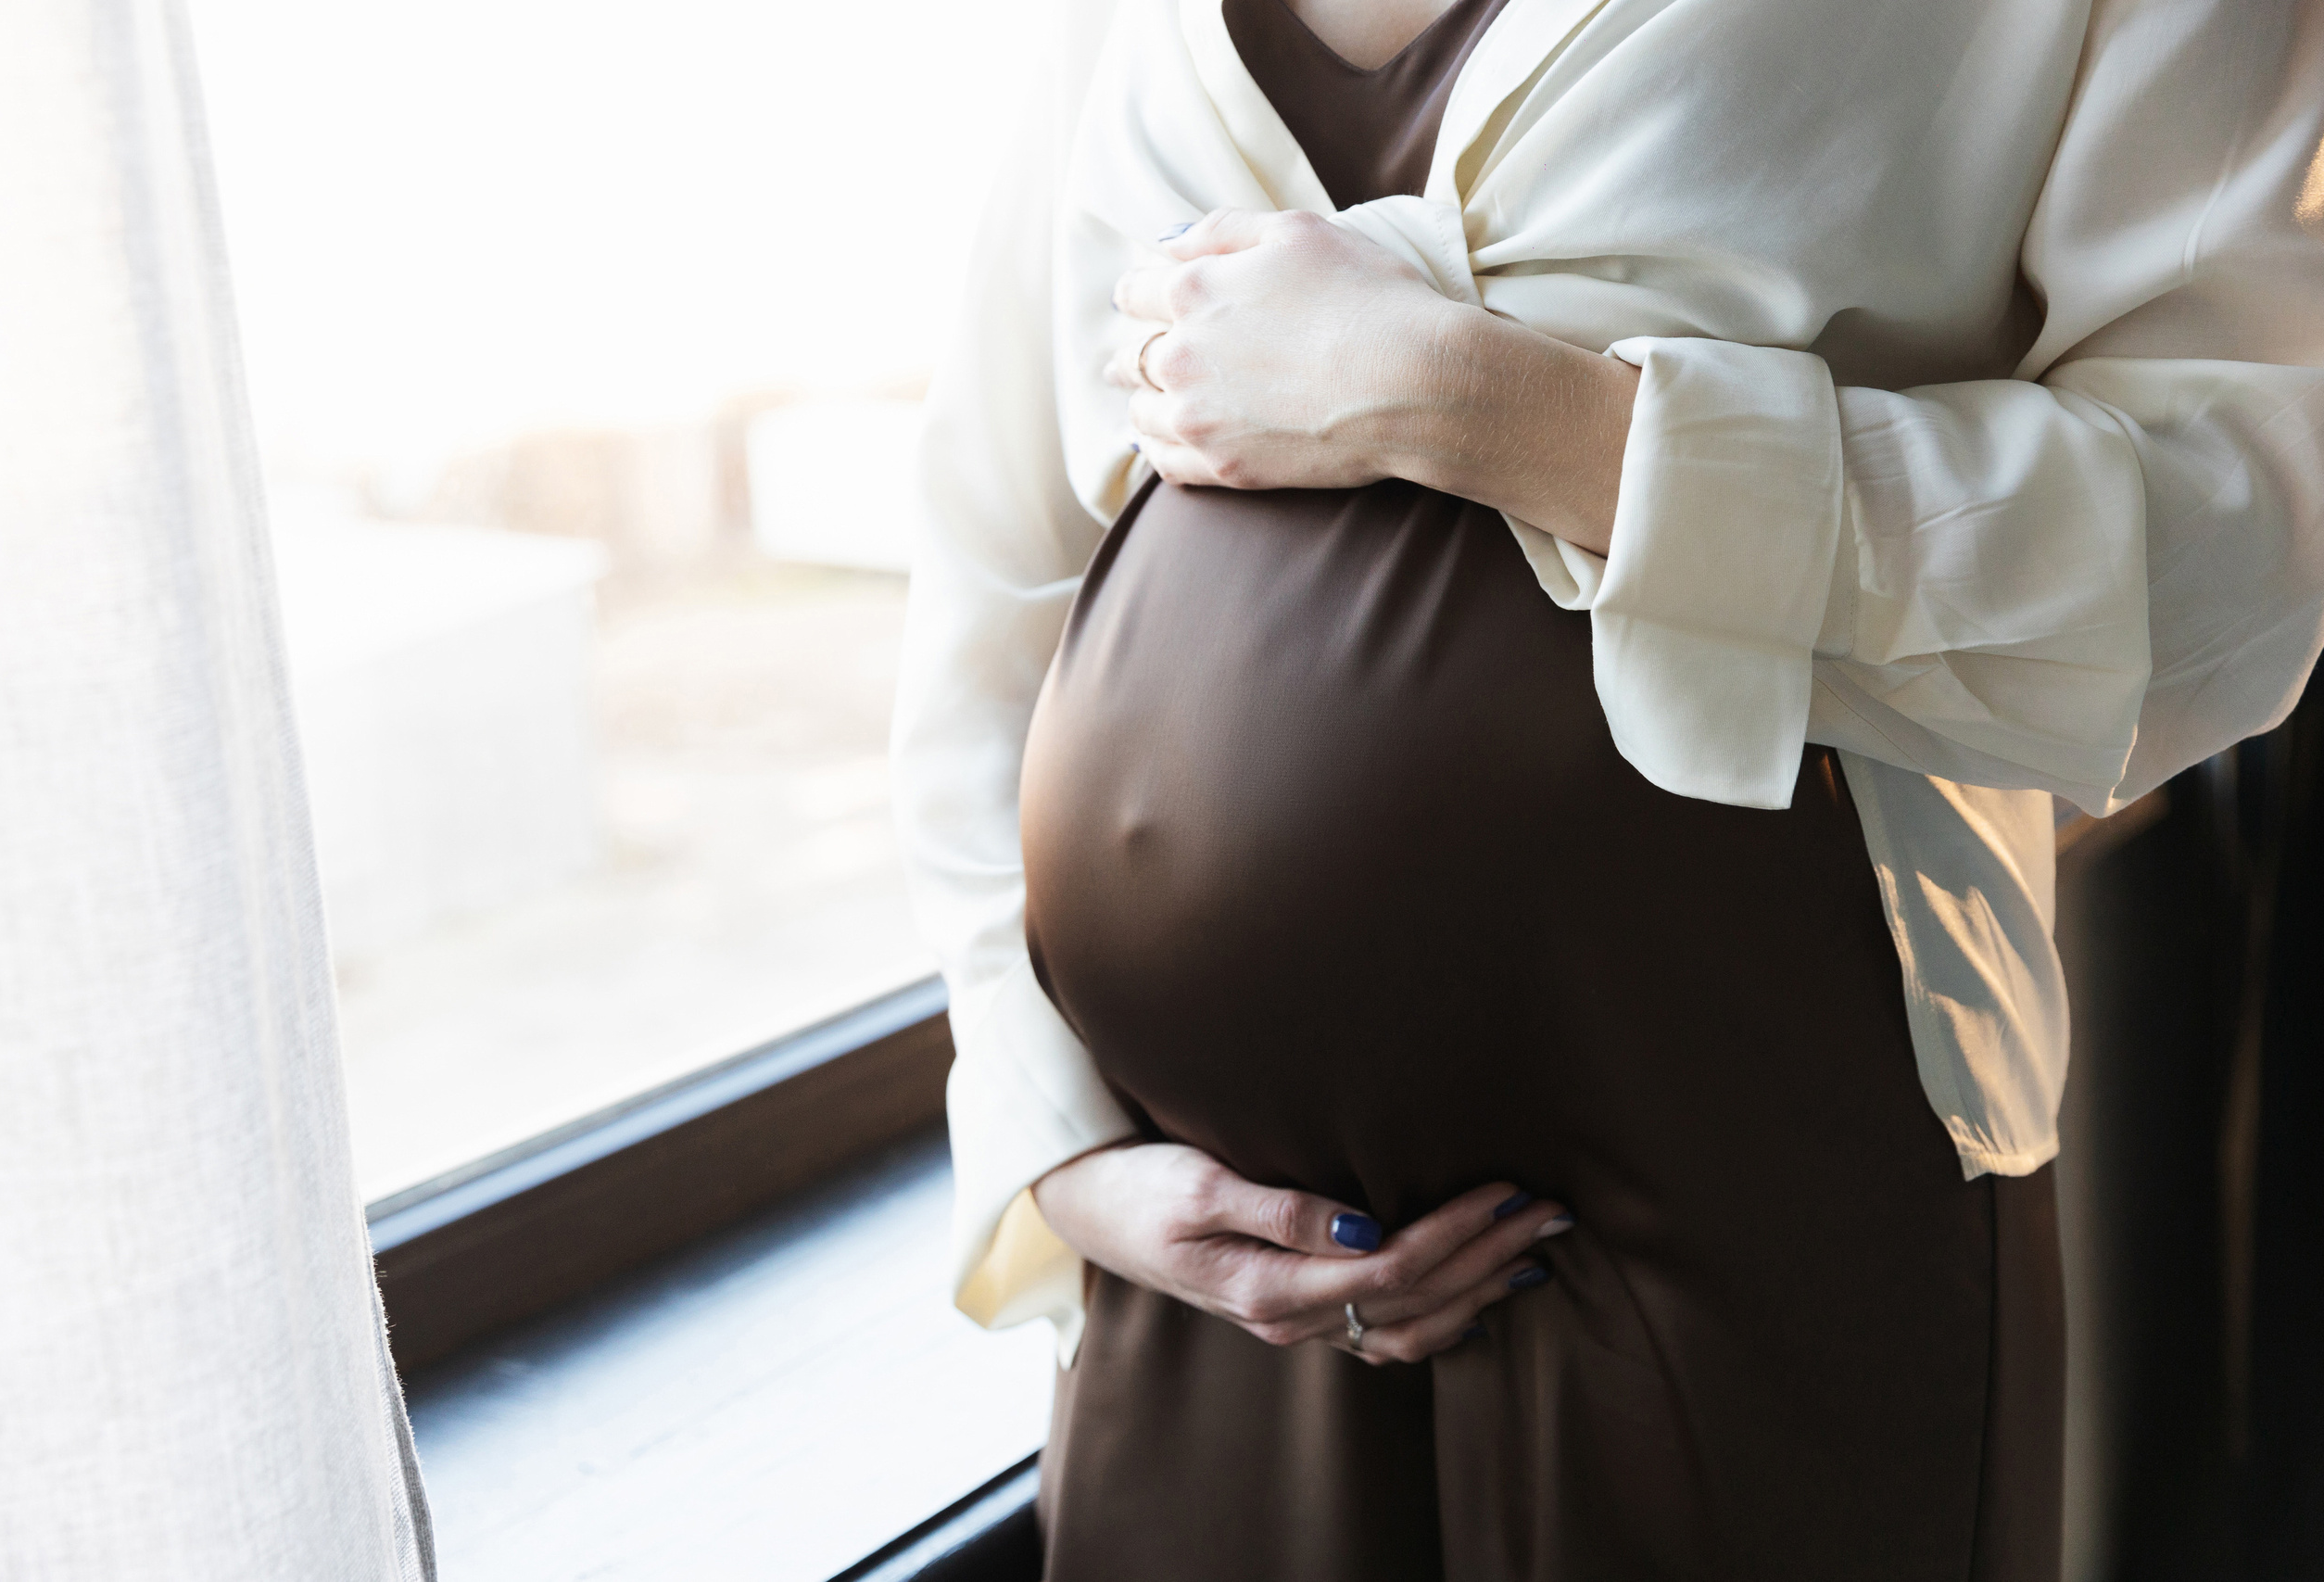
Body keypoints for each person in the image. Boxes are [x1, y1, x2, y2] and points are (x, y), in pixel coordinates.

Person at [891, 0, 2324, 1574]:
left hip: (1754, 1193)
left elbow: (2239, 541)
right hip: (1200, 1261)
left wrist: (1481, 404)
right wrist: (1056, 1138)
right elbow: (997, 565)